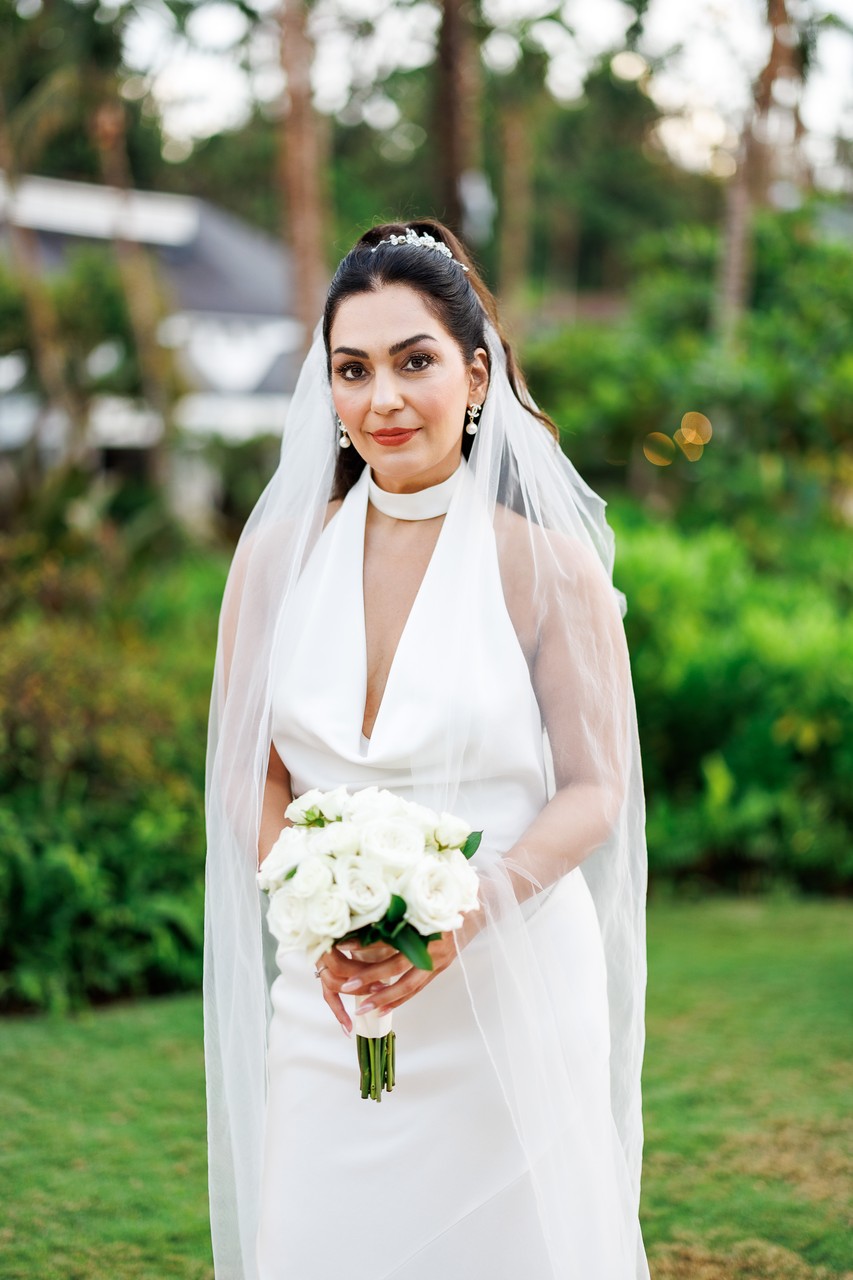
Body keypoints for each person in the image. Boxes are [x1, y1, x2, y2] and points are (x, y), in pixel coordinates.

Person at [204, 220, 650, 1280]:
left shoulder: (545, 568)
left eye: (415, 361)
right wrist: (317, 911)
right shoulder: (275, 556)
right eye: (351, 369)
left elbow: (595, 789)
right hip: (330, 992)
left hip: (508, 985)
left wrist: (462, 913)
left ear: (477, 373)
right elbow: (246, 764)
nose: (383, 399)